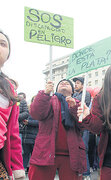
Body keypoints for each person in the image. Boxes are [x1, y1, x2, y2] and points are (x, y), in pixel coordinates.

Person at [28, 79, 86, 180]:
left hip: (71, 155)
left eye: (67, 84)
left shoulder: (78, 104)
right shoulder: (47, 100)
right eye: (61, 83)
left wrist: (74, 108)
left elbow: (83, 126)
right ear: (55, 89)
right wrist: (45, 94)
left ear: (72, 91)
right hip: (46, 152)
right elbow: (36, 114)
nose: (64, 84)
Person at [0, 30, 25, 179]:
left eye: (2, 44)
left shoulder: (9, 88)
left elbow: (13, 133)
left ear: (8, 55)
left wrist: (17, 169)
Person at [72, 76, 92, 180]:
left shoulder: (86, 94)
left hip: (84, 127)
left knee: (83, 149)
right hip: (75, 126)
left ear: (83, 85)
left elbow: (83, 106)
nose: (76, 85)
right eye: (75, 83)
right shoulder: (74, 94)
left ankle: (86, 173)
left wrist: (73, 102)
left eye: (78, 83)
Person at [21, 96, 39, 173]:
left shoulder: (41, 111)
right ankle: (24, 169)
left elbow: (40, 123)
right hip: (25, 137)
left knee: (34, 156)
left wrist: (29, 122)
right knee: (25, 154)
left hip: (35, 137)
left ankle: (34, 170)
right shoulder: (27, 110)